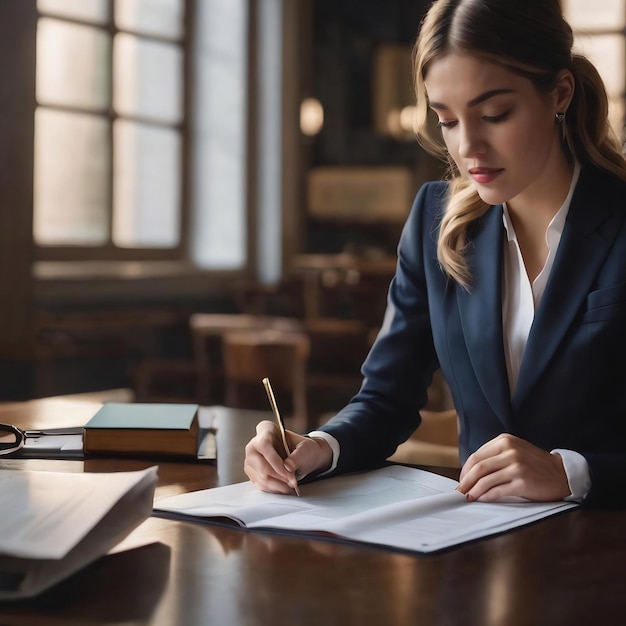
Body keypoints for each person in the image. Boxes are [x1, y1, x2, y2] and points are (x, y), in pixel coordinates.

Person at [244, 0, 626, 508]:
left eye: (495, 114)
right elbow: (387, 398)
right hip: (474, 550)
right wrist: (319, 447)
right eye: (447, 120)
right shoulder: (436, 221)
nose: (469, 147)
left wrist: (571, 472)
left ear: (559, 92)